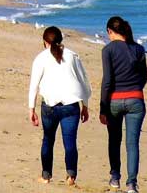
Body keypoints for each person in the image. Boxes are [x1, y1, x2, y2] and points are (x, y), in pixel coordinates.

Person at [28, 25, 91, 186]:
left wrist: (31, 109)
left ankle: (46, 176)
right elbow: (84, 82)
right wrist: (85, 105)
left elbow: (34, 85)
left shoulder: (40, 58)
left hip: (49, 105)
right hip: (71, 105)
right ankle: (71, 176)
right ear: (60, 40)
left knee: (48, 139)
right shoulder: (72, 56)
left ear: (44, 42)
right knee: (70, 141)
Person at [99, 16, 147, 193]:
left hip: (114, 100)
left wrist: (102, 107)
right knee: (132, 143)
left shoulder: (108, 50)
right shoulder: (139, 49)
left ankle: (114, 177)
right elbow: (144, 78)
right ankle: (132, 184)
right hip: (136, 99)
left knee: (114, 140)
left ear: (110, 32)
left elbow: (107, 81)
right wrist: (134, 90)